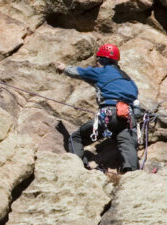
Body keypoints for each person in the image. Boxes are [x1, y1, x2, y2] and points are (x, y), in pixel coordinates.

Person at [56, 43, 139, 173]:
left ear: (101, 60)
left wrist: (64, 67)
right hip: (128, 117)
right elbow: (135, 101)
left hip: (109, 114)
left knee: (76, 138)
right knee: (127, 144)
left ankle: (78, 169)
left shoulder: (102, 71)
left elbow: (78, 72)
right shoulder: (128, 80)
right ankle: (131, 174)